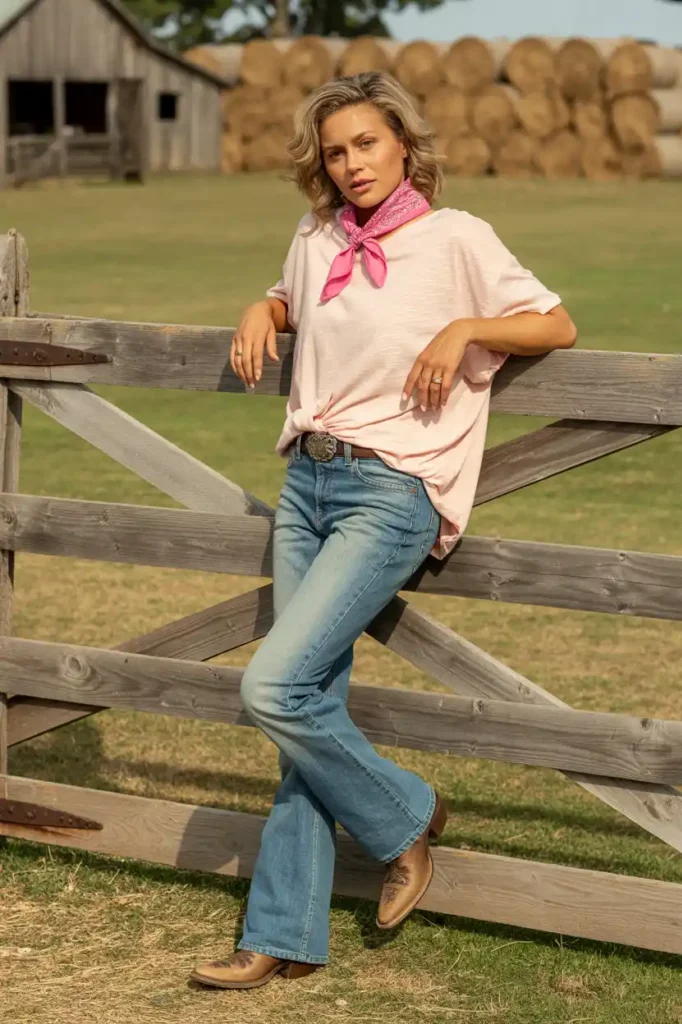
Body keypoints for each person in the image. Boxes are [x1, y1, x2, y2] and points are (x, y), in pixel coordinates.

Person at [191, 71, 576, 991]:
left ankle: (405, 820)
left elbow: (554, 323)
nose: (352, 163)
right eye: (335, 151)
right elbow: (295, 301)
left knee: (274, 686)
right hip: (307, 484)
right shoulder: (315, 235)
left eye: (367, 143)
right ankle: (281, 934)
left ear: (403, 143)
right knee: (304, 703)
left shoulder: (455, 236)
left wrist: (464, 329)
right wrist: (264, 306)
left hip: (388, 491)